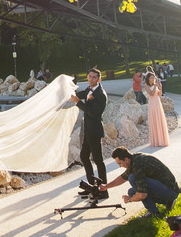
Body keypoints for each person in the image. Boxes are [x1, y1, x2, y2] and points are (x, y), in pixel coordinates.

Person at [99, 146, 179, 217]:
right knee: (131, 192)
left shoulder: (138, 165)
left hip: (170, 190)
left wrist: (129, 199)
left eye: (119, 163)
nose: (120, 166)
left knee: (132, 178)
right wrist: (106, 186)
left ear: (126, 160)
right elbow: (122, 177)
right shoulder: (134, 159)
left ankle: (154, 212)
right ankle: (168, 201)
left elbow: (142, 194)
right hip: (169, 188)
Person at [71, 68, 108, 196]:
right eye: (90, 76)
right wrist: (69, 90)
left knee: (98, 160)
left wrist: (78, 103)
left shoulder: (101, 94)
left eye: (94, 77)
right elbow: (79, 94)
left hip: (95, 130)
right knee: (84, 157)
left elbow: (93, 113)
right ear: (87, 77)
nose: (91, 79)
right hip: (88, 129)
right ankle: (92, 186)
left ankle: (103, 190)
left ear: (99, 79)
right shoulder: (90, 89)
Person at [144, 71, 169, 147]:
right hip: (152, 103)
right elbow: (151, 93)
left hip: (158, 102)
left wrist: (160, 88)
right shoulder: (146, 85)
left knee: (159, 119)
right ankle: (156, 141)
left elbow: (159, 95)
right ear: (148, 79)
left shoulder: (155, 85)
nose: (153, 79)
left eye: (153, 77)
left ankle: (162, 140)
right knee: (154, 119)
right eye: (151, 78)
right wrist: (155, 86)